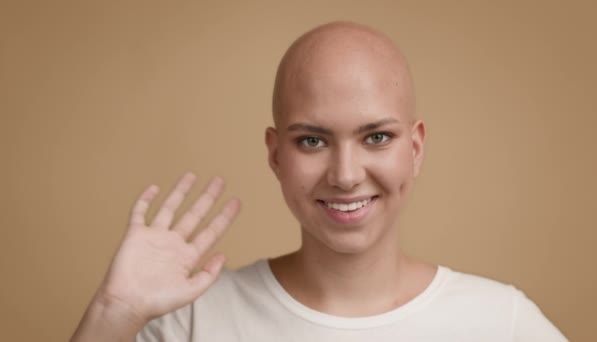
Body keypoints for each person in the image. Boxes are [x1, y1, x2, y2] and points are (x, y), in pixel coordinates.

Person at [71, 21, 568, 341]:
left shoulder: (500, 323)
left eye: (376, 137)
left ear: (414, 150)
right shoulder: (193, 320)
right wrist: (114, 311)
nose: (347, 176)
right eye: (312, 141)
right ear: (275, 154)